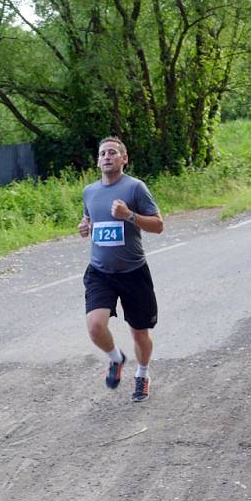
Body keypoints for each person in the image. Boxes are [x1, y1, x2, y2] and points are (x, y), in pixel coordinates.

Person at [78, 136, 164, 401]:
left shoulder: (135, 188)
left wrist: (129, 215)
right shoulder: (89, 191)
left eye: (112, 152)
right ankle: (116, 359)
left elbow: (158, 225)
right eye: (102, 153)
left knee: (139, 331)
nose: (106, 157)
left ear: (124, 158)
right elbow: (89, 219)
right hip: (100, 272)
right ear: (97, 160)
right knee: (94, 327)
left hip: (133, 272)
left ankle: (142, 374)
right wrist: (84, 227)